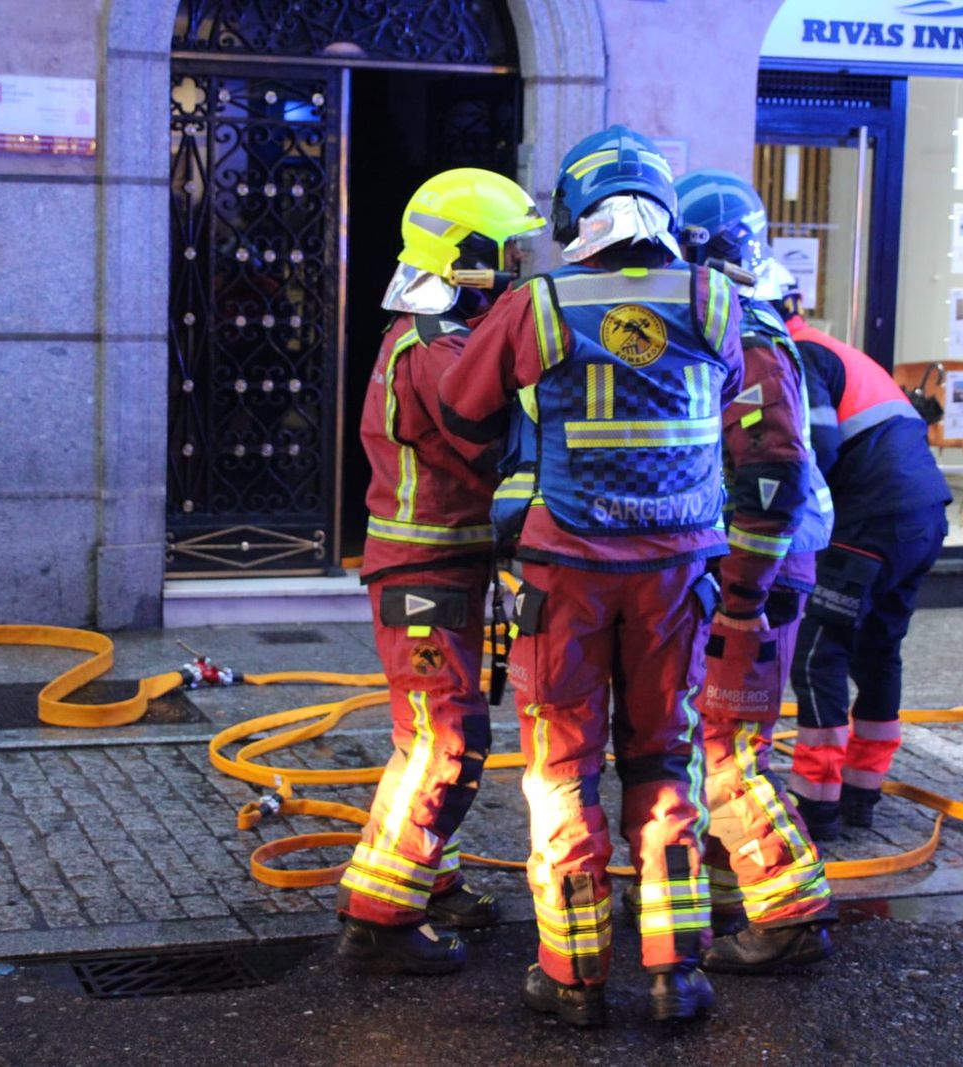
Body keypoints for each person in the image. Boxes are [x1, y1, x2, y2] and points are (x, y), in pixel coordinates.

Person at [439, 125, 741, 1026]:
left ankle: (572, 978)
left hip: (564, 570)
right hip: (679, 573)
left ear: (577, 212)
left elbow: (462, 405)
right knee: (663, 760)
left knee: (563, 767)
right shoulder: (714, 297)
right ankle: (676, 971)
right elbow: (721, 399)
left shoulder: (538, 306)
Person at [336, 168, 545, 974]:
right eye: (508, 253)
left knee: (438, 734)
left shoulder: (428, 337)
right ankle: (380, 918)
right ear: (468, 256)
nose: (518, 270)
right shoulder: (439, 350)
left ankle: (429, 876)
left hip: (433, 568)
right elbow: (489, 442)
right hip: (424, 572)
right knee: (444, 743)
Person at [671, 169, 838, 973]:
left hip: (760, 576)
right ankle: (734, 876)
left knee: (728, 743)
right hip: (753, 570)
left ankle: (790, 909)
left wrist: (739, 596)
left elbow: (770, 477)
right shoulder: (746, 325)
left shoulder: (754, 343)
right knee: (719, 738)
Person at [772, 278, 953, 840]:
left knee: (817, 654)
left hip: (868, 522)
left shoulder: (800, 356)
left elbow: (816, 451)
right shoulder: (837, 351)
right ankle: (862, 792)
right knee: (878, 650)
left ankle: (817, 804)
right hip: (923, 515)